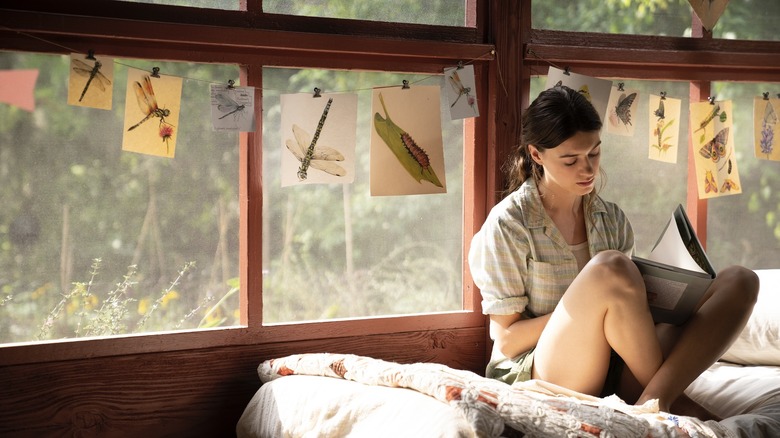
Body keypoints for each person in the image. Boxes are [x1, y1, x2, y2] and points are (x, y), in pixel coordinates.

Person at [467, 85, 759, 419]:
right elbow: (506, 340)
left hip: (617, 362)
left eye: (594, 153)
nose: (588, 169)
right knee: (610, 269)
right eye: (571, 160)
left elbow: (628, 319)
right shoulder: (509, 224)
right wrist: (590, 306)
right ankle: (672, 404)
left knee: (740, 281)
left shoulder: (611, 218)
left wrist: (649, 301)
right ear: (536, 155)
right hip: (543, 371)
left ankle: (656, 400)